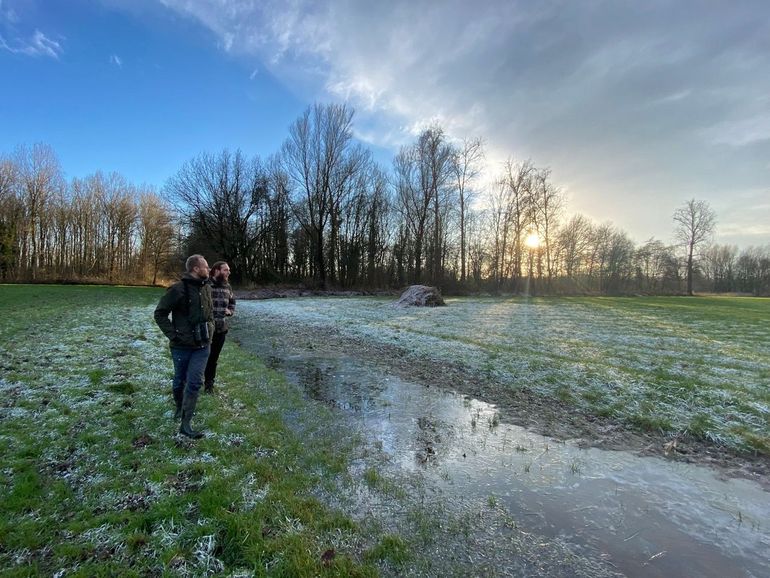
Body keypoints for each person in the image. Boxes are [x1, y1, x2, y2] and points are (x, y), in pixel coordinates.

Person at [154, 254, 214, 439]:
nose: (209, 269)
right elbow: (160, 314)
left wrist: (211, 329)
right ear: (196, 269)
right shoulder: (177, 290)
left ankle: (186, 424)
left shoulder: (207, 288)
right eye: (206, 266)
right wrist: (174, 335)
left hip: (203, 346)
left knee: (195, 382)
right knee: (180, 380)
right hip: (181, 347)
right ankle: (179, 406)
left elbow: (209, 313)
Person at [204, 261, 236, 393]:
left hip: (221, 329)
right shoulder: (205, 285)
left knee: (213, 359)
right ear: (216, 270)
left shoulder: (228, 287)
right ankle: (195, 381)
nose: (228, 272)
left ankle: (209, 385)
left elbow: (233, 301)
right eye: (225, 270)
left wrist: (230, 310)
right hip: (205, 329)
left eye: (228, 270)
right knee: (202, 357)